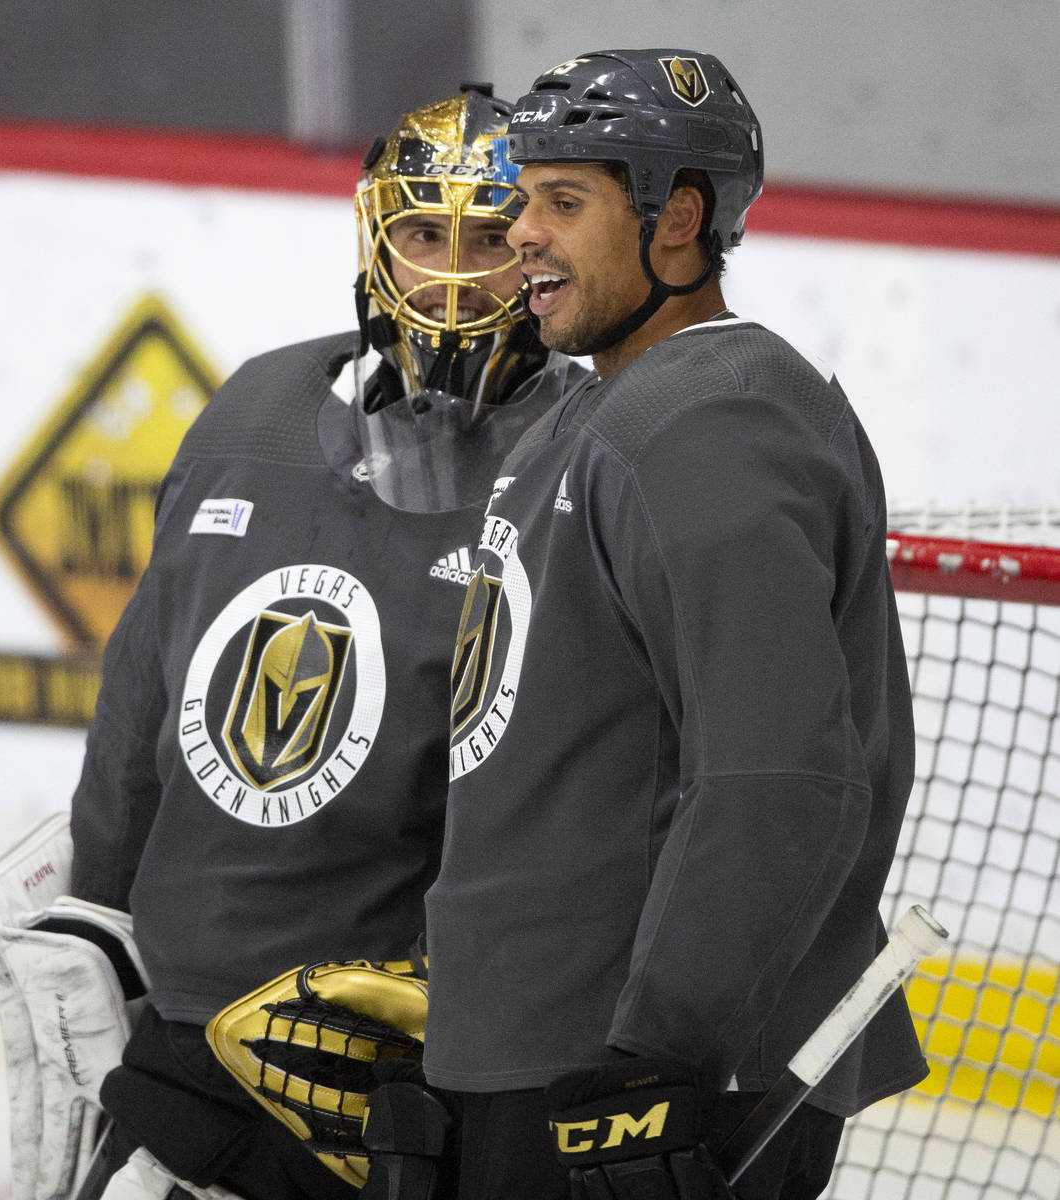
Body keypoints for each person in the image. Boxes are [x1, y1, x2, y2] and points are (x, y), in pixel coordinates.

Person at [416, 50, 928, 1200]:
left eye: (564, 201)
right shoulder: (602, 408)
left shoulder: (706, 425)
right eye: (519, 198)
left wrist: (663, 1052)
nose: (520, 235)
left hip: (645, 1083)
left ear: (677, 218)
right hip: (551, 1052)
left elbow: (778, 773)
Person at [59, 83, 580, 1200]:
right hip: (183, 1029)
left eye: (489, 238)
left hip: (385, 1052)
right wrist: (93, 914)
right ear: (371, 238)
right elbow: (139, 701)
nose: (452, 271)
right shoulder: (254, 406)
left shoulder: (588, 457)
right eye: (422, 233)